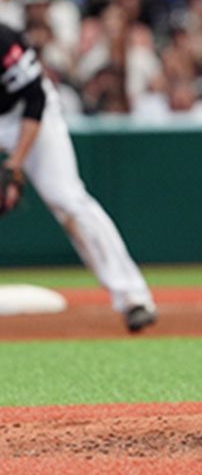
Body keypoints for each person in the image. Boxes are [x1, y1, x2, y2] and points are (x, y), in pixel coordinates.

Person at [0, 22, 157, 332]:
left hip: (25, 114)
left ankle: (132, 298)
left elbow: (34, 99)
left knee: (67, 200)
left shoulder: (3, 40)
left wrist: (14, 165)